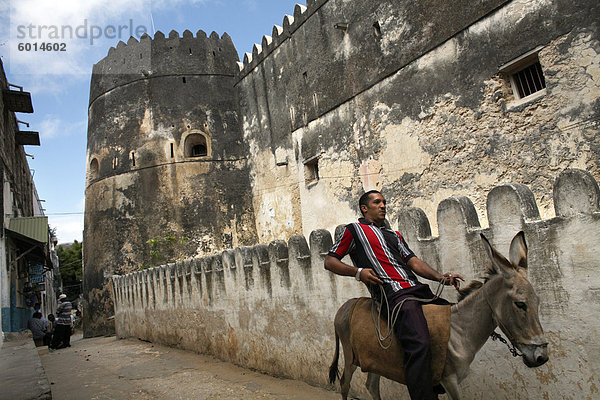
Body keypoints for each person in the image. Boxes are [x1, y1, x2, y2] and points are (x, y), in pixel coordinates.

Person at [324, 190, 464, 400]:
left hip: (417, 289)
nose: (383, 206)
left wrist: (439, 277)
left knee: (452, 317)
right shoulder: (353, 231)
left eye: (384, 202)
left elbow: (414, 263)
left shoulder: (395, 235)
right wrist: (359, 272)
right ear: (365, 208)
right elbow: (330, 261)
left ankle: (437, 378)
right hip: (393, 295)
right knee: (419, 343)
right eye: (377, 202)